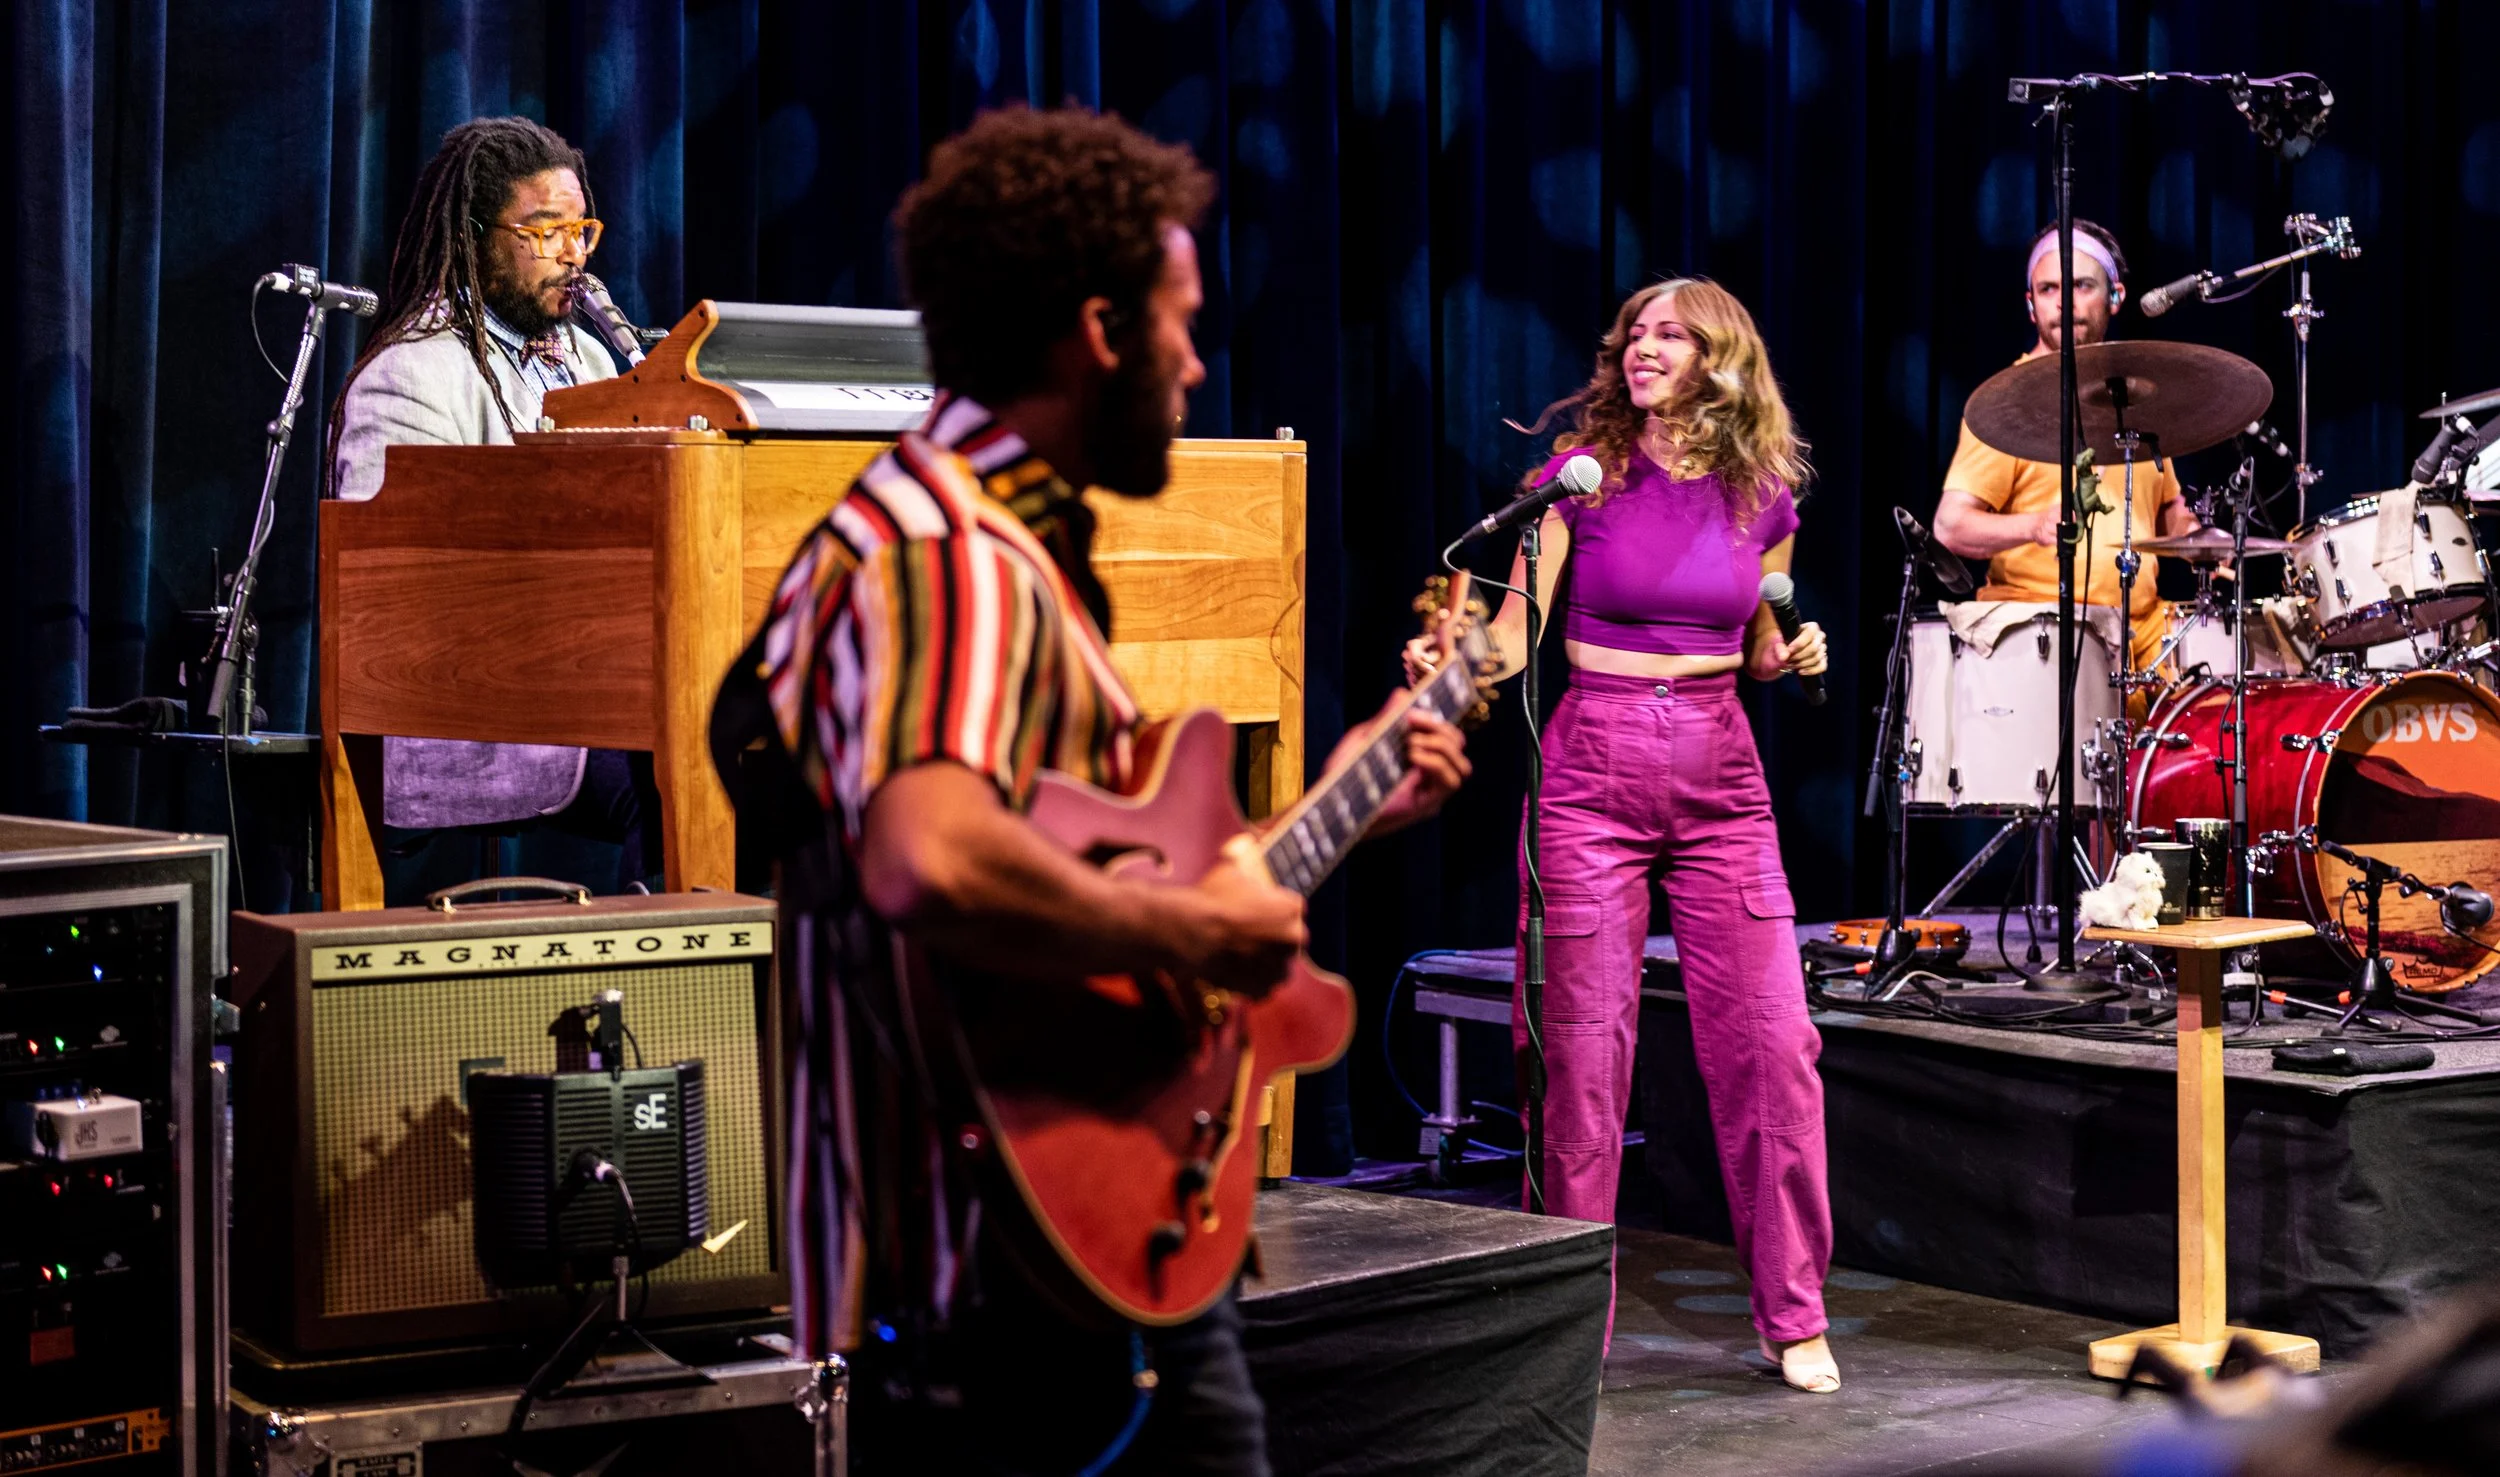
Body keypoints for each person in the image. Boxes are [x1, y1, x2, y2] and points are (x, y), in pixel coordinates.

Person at [711, 106, 1471, 1474]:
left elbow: (1081, 882)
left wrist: (1362, 798)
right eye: (1181, 321)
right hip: (993, 1278)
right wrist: (1194, 934)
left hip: (1042, 1253)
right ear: (1103, 332)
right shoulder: (956, 553)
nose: (1194, 361)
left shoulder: (972, 541)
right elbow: (928, 860)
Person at [1410, 278, 1838, 1394]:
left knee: (1772, 1048)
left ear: (1719, 360)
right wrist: (1448, 671)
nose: (1643, 348)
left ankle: (1794, 1312)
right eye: (1636, 333)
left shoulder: (1764, 493)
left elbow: (1750, 642)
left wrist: (1792, 655)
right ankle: (1565, 1327)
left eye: (1670, 335)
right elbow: (1512, 641)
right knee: (1581, 1056)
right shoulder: (1576, 479)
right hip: (1592, 768)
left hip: (1719, 775)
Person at [326, 116, 662, 890]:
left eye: (580, 229)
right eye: (543, 232)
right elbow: (401, 599)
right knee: (676, 768)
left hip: (590, 685)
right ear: (476, 237)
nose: (571, 253)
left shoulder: (589, 359)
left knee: (763, 756)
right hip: (461, 712)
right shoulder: (411, 374)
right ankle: (662, 989)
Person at [1933, 219, 2200, 676]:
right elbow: (1951, 526)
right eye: (2049, 288)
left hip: (2145, 638)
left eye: (2081, 285)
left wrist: (2202, 541)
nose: (2064, 302)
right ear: (2031, 306)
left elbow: (2168, 511)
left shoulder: (2136, 398)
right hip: (2041, 638)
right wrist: (2036, 525)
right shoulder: (2008, 402)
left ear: (2115, 297)